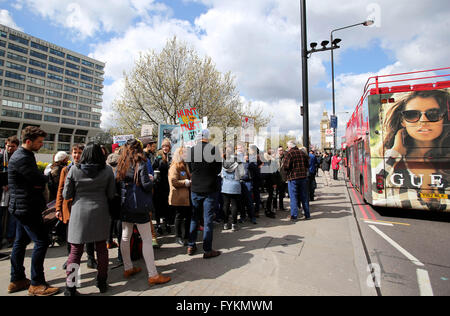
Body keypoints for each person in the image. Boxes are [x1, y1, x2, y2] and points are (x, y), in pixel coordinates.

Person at [375, 89, 450, 211]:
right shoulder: (394, 160)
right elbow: (375, 186)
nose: (423, 121)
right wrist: (396, 151)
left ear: (443, 118)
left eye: (433, 114)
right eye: (412, 115)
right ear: (402, 121)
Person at [7, 126, 60, 296]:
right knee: (41, 242)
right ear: (28, 141)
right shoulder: (22, 157)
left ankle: (17, 279)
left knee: (20, 243)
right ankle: (36, 283)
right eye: (39, 142)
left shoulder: (23, 155)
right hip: (27, 207)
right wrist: (47, 176)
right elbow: (36, 178)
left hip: (21, 206)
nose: (41, 144)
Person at [63, 142, 116, 296]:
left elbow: (67, 195)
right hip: (100, 211)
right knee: (101, 249)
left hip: (79, 213)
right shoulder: (107, 170)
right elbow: (111, 194)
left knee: (75, 251)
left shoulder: (74, 169)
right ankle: (102, 281)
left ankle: (70, 287)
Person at [116, 139, 171, 286]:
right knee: (147, 239)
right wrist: (152, 179)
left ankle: (128, 267)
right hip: (139, 205)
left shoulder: (121, 163)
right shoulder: (140, 162)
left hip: (125, 204)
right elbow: (146, 184)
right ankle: (153, 274)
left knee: (125, 236)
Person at [55, 144, 98, 271]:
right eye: (74, 152)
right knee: (71, 235)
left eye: (79, 152)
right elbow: (61, 189)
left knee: (89, 233)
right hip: (70, 208)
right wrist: (58, 208)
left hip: (85, 207)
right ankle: (71, 259)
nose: (76, 155)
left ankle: (91, 257)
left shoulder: (89, 169)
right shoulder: (66, 169)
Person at [186, 129, 222, 258]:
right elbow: (218, 169)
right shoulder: (214, 149)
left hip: (195, 188)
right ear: (207, 138)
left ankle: (191, 245)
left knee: (194, 218)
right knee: (207, 221)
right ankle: (207, 250)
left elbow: (189, 168)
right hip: (209, 188)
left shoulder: (191, 150)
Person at [168, 147, 192, 246]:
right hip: (179, 196)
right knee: (179, 217)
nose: (186, 155)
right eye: (184, 153)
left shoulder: (185, 164)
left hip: (186, 196)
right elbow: (173, 181)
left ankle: (186, 236)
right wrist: (186, 182)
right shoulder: (175, 166)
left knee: (187, 217)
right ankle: (178, 237)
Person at [283, 141, 310, 221]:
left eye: (288, 147)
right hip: (303, 177)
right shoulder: (302, 153)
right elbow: (307, 165)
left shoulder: (289, 153)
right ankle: (307, 214)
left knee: (293, 197)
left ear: (290, 147)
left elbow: (285, 166)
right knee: (304, 197)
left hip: (293, 178)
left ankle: (294, 215)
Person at [1, 136, 19, 255]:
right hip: (2, 191)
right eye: (8, 146)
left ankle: (10, 238)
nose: (10, 148)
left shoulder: (18, 158)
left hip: (14, 192)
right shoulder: (1, 156)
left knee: (13, 216)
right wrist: (3, 185)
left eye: (13, 147)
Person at [221, 144, 244, 231]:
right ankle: (234, 224)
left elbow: (221, 173)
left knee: (225, 205)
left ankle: (226, 224)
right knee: (234, 205)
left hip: (225, 185)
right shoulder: (238, 160)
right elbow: (242, 173)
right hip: (235, 185)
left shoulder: (223, 160)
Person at [153, 138, 173, 235]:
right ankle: (158, 225)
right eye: (164, 146)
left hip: (168, 184)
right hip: (159, 184)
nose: (165, 148)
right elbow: (154, 167)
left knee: (167, 205)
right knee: (158, 205)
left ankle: (167, 224)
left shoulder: (171, 156)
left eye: (167, 146)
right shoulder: (158, 156)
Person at [274, 146, 287, 211]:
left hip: (283, 178)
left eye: (281, 150)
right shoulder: (274, 158)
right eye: (279, 150)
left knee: (281, 194)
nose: (280, 151)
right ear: (277, 151)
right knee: (275, 194)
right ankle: (275, 207)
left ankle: (281, 207)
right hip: (276, 179)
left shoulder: (286, 158)